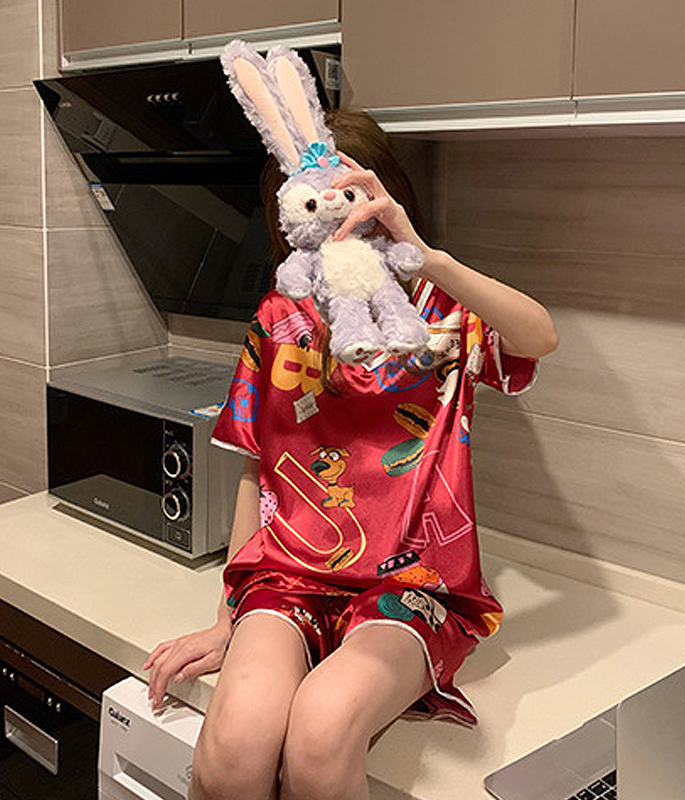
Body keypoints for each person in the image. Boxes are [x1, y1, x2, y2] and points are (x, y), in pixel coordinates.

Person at [144, 110, 558, 800]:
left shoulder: (442, 312)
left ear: (388, 195)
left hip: (413, 586)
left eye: (355, 198)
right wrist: (226, 618)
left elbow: (538, 337)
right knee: (235, 747)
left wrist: (425, 255)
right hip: (286, 576)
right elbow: (256, 464)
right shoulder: (279, 317)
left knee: (321, 733)